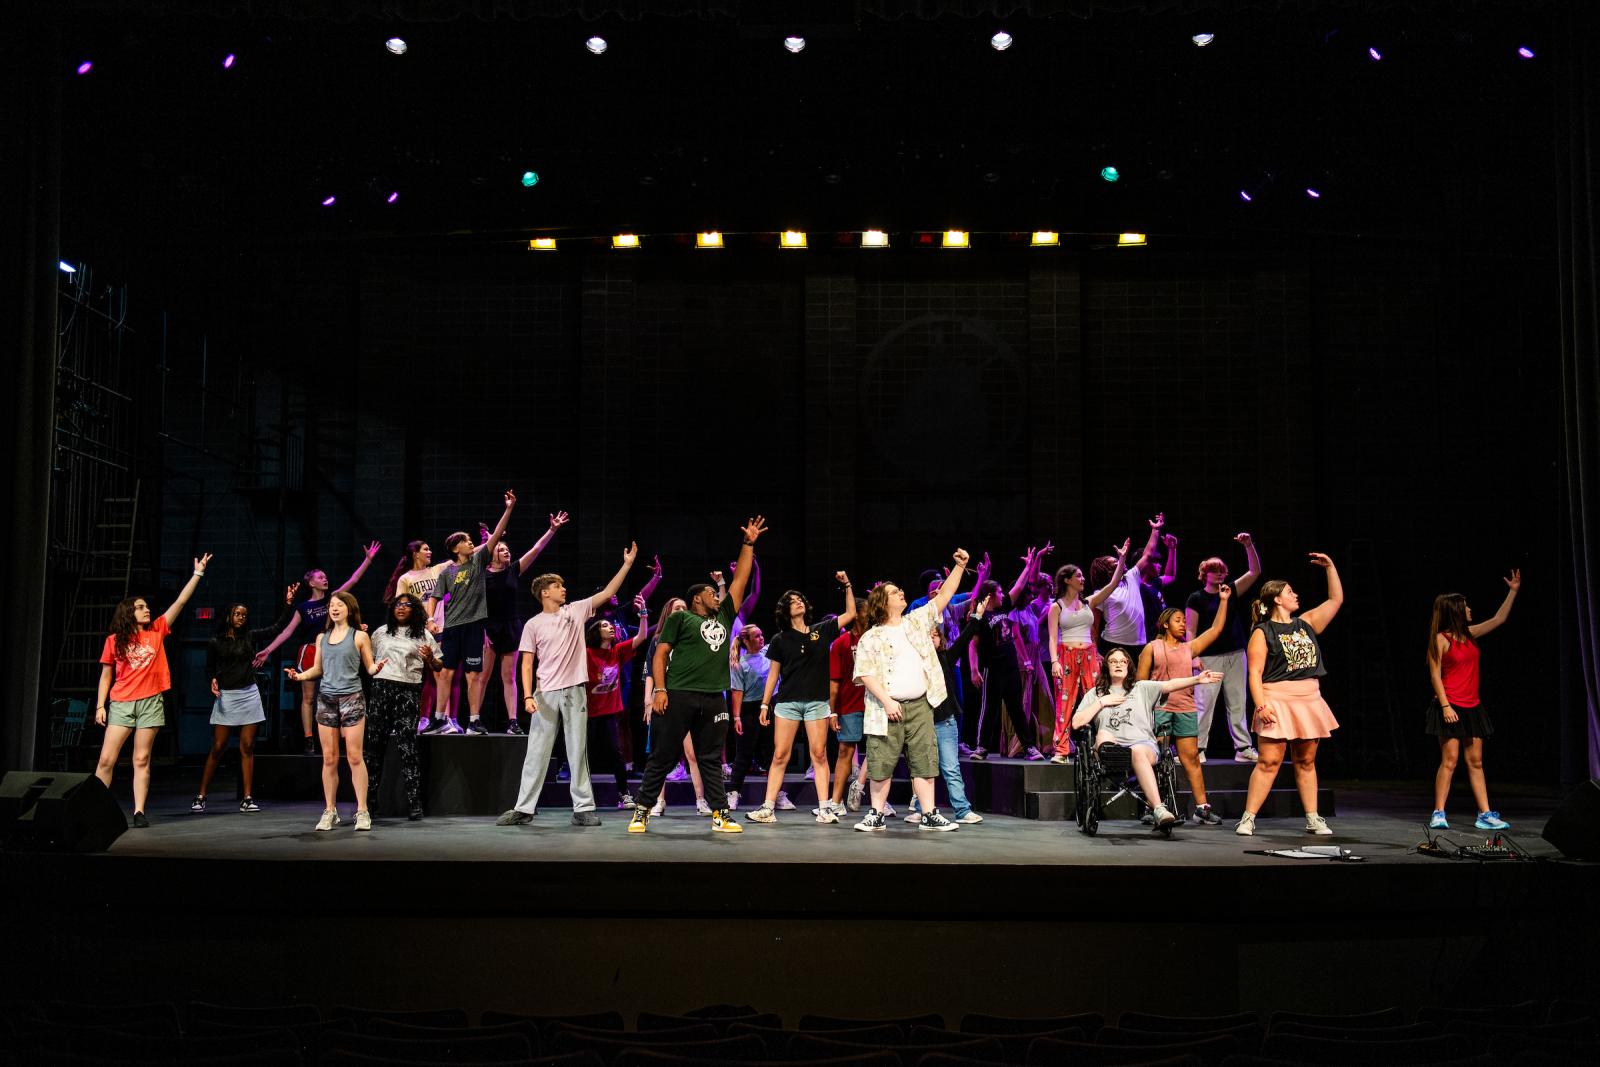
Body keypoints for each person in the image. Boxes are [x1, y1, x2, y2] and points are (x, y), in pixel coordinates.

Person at [629, 518, 766, 834]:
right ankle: (641, 811)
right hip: (678, 693)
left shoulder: (724, 615)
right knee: (663, 757)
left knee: (710, 759)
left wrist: (748, 544)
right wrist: (660, 690)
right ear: (697, 598)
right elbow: (661, 654)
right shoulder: (682, 619)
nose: (715, 595)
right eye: (710, 592)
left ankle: (720, 814)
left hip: (713, 697)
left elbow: (740, 581)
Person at [497, 541, 639, 828]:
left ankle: (583, 808)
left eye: (563, 586)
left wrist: (626, 564)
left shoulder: (575, 611)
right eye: (558, 586)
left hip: (575, 690)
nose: (564, 589)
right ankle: (523, 808)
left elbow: (608, 593)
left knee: (577, 749)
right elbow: (526, 663)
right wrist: (527, 695)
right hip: (545, 693)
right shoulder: (533, 624)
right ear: (544, 592)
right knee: (537, 749)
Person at [850, 548, 971, 832]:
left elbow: (943, 598)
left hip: (920, 705)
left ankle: (929, 814)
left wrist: (960, 567)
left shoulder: (916, 621)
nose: (901, 593)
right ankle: (876, 814)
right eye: (894, 592)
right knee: (880, 761)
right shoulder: (872, 636)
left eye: (900, 590)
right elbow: (865, 673)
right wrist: (887, 701)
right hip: (885, 708)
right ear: (882, 601)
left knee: (925, 760)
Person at [94, 554, 213, 827]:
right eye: (140, 607)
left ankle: (138, 812)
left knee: (141, 757)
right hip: (122, 702)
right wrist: (100, 705)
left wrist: (198, 574)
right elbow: (106, 675)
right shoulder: (114, 640)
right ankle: (96, 807)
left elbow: (181, 602)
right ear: (128, 613)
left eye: (147, 607)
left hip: (150, 701)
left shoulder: (158, 630)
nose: (146, 610)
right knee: (106, 759)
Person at [1237, 553, 1344, 837]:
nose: (1296, 596)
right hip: (1276, 698)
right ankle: (1247, 818)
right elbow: (1254, 674)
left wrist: (1331, 568)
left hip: (1308, 698)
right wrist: (1261, 706)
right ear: (1277, 600)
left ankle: (1313, 817)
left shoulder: (1306, 623)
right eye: (1290, 592)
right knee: (1269, 761)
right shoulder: (1262, 632)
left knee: (1306, 761)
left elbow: (1335, 601)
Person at [1070, 648, 1223, 832]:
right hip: (1109, 748)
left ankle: (1158, 809)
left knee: (1137, 751)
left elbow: (1170, 685)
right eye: (1113, 661)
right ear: (1106, 667)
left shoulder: (1141, 688)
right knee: (1103, 735)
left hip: (1142, 745)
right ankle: (1115, 756)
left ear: (1129, 666)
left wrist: (1197, 679)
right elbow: (1077, 723)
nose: (1118, 664)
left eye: (1122, 661)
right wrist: (1101, 702)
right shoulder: (1095, 694)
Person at [745, 573, 856, 825]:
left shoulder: (822, 631)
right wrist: (764, 704)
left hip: (817, 702)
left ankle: (825, 808)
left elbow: (850, 614)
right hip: (787, 703)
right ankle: (768, 807)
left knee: (819, 754)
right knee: (780, 754)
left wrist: (847, 585)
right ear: (785, 610)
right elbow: (773, 675)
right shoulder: (779, 639)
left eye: (800, 599)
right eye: (792, 601)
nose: (798, 602)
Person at [255, 543, 382, 754]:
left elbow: (354, 580)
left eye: (325, 577)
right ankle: (308, 738)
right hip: (311, 650)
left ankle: (342, 733)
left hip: (334, 650)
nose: (325, 579)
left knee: (338, 692)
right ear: (310, 582)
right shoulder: (303, 607)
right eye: (320, 577)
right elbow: (286, 632)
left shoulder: (333, 599)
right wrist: (268, 650)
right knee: (308, 697)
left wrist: (367, 560)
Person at [1426, 570, 1521, 830]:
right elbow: (1434, 674)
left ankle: (1485, 814)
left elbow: (1499, 619)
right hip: (1450, 705)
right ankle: (1439, 812)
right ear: (1455, 611)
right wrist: (1445, 706)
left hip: (1472, 705)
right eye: (1465, 606)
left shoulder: (1470, 635)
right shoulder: (1441, 639)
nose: (1469, 609)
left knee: (1476, 761)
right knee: (1450, 760)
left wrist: (1513, 591)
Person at [285, 592, 388, 832]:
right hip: (327, 700)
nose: (334, 608)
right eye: (332, 605)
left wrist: (377, 667)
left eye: (339, 605)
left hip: (352, 698)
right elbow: (317, 669)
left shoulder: (360, 636)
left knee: (354, 756)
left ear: (349, 609)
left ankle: (362, 810)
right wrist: (300, 675)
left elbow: (369, 667)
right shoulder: (322, 637)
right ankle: (330, 810)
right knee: (329, 758)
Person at [192, 581, 297, 814]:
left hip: (249, 694)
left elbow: (277, 628)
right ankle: (201, 795)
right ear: (229, 616)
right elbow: (209, 669)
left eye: (244, 615)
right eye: (237, 614)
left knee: (247, 746)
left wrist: (288, 603)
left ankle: (248, 797)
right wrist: (212, 680)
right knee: (218, 746)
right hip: (227, 697)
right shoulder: (215, 642)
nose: (241, 617)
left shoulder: (250, 637)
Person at [422, 491, 516, 735]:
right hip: (452, 628)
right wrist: (431, 620)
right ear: (455, 547)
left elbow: (495, 536)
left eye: (470, 539)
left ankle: (474, 721)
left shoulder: (478, 560)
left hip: (474, 626)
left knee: (474, 675)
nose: (470, 542)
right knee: (445, 673)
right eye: (465, 540)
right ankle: (439, 720)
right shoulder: (446, 573)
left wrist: (508, 509)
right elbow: (433, 597)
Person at [1138, 587, 1233, 825]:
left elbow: (1216, 629)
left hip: (1185, 708)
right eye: (1177, 621)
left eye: (1183, 620)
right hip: (1159, 709)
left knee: (1190, 758)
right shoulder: (1152, 647)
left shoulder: (1188, 649)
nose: (1183, 624)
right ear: (1165, 624)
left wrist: (1223, 601)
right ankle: (1153, 807)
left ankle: (1202, 808)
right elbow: (1140, 683)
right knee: (1156, 758)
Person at [483, 510, 570, 735]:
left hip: (511, 626)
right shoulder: (482, 574)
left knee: (508, 677)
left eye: (508, 549)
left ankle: (512, 721)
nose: (506, 552)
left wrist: (552, 529)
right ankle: (475, 719)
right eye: (501, 549)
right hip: (489, 628)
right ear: (492, 553)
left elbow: (537, 549)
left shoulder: (513, 570)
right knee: (482, 677)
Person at [904, 595, 987, 824]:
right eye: (927, 635)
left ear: (940, 640)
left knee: (950, 768)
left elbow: (965, 637)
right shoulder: (914, 664)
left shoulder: (947, 658)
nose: (932, 638)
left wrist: (976, 617)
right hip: (922, 722)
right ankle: (922, 808)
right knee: (923, 768)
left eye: (935, 635)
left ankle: (962, 810)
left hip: (945, 721)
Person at [1185, 532, 1263, 763]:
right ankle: (1198, 749)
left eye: (1221, 570)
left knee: (1238, 701)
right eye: (1214, 570)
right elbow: (1191, 630)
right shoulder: (1196, 598)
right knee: (1204, 704)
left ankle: (1243, 748)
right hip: (1208, 657)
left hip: (1236, 654)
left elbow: (1254, 572)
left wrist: (1249, 546)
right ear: (1204, 573)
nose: (1219, 573)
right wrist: (1192, 656)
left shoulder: (1230, 590)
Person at [367, 593, 441, 821]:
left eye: (406, 605)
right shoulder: (380, 633)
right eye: (397, 605)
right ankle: (368, 804)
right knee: (374, 747)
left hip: (408, 690)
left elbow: (438, 666)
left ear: (415, 610)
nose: (400, 608)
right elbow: (368, 661)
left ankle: (414, 804)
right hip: (381, 688)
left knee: (407, 747)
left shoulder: (423, 635)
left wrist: (430, 658)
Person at [968, 547, 1047, 762]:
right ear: (991, 595)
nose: (1004, 594)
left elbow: (1019, 586)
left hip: (1011, 667)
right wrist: (974, 670)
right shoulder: (980, 616)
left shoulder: (1004, 609)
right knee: (989, 710)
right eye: (1000, 592)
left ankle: (1029, 747)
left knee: (1017, 709)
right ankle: (982, 747)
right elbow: (973, 646)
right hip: (992, 670)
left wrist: (1029, 565)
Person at [641, 596, 708, 815]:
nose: (680, 610)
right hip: (662, 698)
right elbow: (651, 672)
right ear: (668, 613)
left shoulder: (693, 636)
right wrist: (648, 700)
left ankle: (701, 800)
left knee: (692, 754)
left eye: (684, 608)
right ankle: (658, 801)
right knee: (661, 753)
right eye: (676, 608)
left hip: (686, 698)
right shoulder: (658, 639)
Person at [584, 595, 650, 809]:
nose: (611, 628)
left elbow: (641, 636)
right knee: (587, 755)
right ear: (596, 632)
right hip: (588, 713)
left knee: (616, 753)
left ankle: (624, 794)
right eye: (605, 626)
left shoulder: (617, 650)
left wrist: (643, 613)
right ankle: (584, 798)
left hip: (609, 712)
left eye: (611, 625)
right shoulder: (585, 654)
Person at [1046, 562, 1100, 764]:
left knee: (1096, 700)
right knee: (1064, 703)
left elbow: (1112, 585)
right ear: (1067, 580)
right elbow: (1052, 638)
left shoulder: (1089, 602)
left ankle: (1100, 745)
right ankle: (1061, 749)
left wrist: (1121, 561)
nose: (1083, 579)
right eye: (1078, 576)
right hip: (1066, 655)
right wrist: (1054, 661)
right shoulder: (1056, 606)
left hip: (1088, 655)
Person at [1090, 513, 1165, 657]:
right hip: (1113, 644)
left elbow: (1147, 555)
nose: (1120, 562)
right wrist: (1094, 652)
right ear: (1105, 570)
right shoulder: (1101, 593)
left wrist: (1155, 530)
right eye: (1114, 563)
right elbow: (1095, 625)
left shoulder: (1131, 577)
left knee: (1139, 679)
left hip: (1139, 644)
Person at [726, 624, 773, 812]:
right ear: (746, 640)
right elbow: (737, 692)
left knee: (771, 752)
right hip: (749, 710)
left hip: (769, 707)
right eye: (756, 636)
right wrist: (736, 717)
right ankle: (734, 792)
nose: (761, 639)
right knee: (743, 754)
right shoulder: (740, 664)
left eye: (762, 635)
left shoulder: (769, 653)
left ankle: (774, 793)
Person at [829, 611, 869, 813]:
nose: (870, 614)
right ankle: (836, 802)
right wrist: (833, 712)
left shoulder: (876, 637)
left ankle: (880, 800)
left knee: (879, 752)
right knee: (845, 751)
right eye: (865, 611)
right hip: (849, 705)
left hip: (875, 705)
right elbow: (834, 683)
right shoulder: (841, 643)